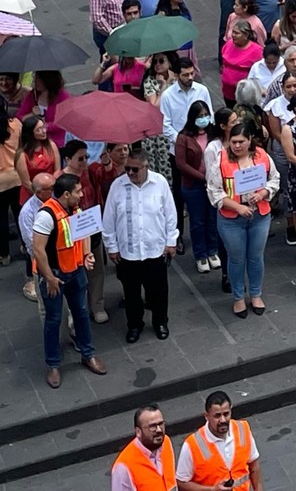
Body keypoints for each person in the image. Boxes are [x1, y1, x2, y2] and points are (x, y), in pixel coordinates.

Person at [29, 173, 106, 387]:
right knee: (53, 319)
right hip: (54, 275)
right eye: (77, 192)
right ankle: (53, 364)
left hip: (75, 271)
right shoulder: (46, 216)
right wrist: (49, 278)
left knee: (81, 313)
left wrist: (87, 255)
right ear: (65, 194)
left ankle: (88, 354)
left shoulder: (75, 209)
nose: (81, 195)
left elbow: (84, 234)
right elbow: (38, 249)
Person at [102, 144, 175, 341]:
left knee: (159, 291)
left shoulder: (159, 183)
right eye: (127, 169)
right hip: (128, 252)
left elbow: (170, 214)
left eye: (135, 169)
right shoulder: (117, 186)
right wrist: (112, 246)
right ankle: (134, 325)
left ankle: (160, 322)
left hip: (155, 249)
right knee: (131, 292)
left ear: (146, 166)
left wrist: (171, 241)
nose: (130, 173)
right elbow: (109, 219)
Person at [207, 122, 278, 318]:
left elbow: (274, 179)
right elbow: (214, 192)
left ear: (249, 140)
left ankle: (256, 294)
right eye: (233, 142)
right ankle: (238, 297)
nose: (237, 146)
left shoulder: (262, 156)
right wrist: (238, 207)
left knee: (256, 257)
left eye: (241, 142)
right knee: (236, 259)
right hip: (231, 219)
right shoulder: (220, 160)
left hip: (259, 216)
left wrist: (264, 192)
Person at [175, 390, 261, 491]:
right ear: (207, 416)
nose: (223, 420)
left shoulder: (243, 429)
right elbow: (181, 483)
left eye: (226, 414)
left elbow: (254, 465)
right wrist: (212, 490)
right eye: (217, 416)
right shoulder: (192, 445)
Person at [112, 405, 173, 491]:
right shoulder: (123, 467)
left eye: (161, 424)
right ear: (138, 432)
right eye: (152, 426)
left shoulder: (166, 442)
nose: (159, 430)